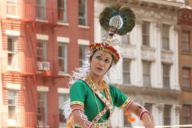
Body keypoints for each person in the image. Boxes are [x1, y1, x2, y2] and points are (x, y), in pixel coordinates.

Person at [63, 4, 155, 128]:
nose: (101, 63)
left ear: (110, 66)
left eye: (107, 61)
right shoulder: (80, 86)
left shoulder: (111, 90)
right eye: (98, 57)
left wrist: (143, 114)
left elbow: (134, 107)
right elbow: (78, 117)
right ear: (90, 59)